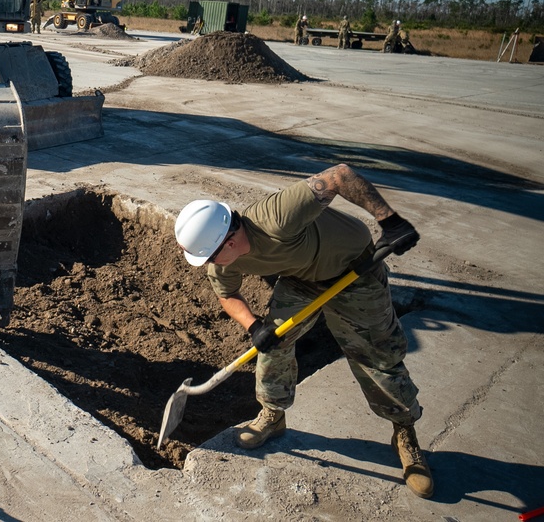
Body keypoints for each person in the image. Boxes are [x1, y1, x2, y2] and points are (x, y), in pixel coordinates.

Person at [174, 163, 433, 499]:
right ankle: (272, 413)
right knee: (273, 345)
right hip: (302, 280)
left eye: (210, 255)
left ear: (232, 237)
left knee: (376, 355)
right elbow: (228, 295)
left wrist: (390, 220)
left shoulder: (275, 217)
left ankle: (405, 434)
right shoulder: (223, 260)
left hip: (355, 268)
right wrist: (254, 327)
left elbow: (339, 175)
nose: (210, 263)